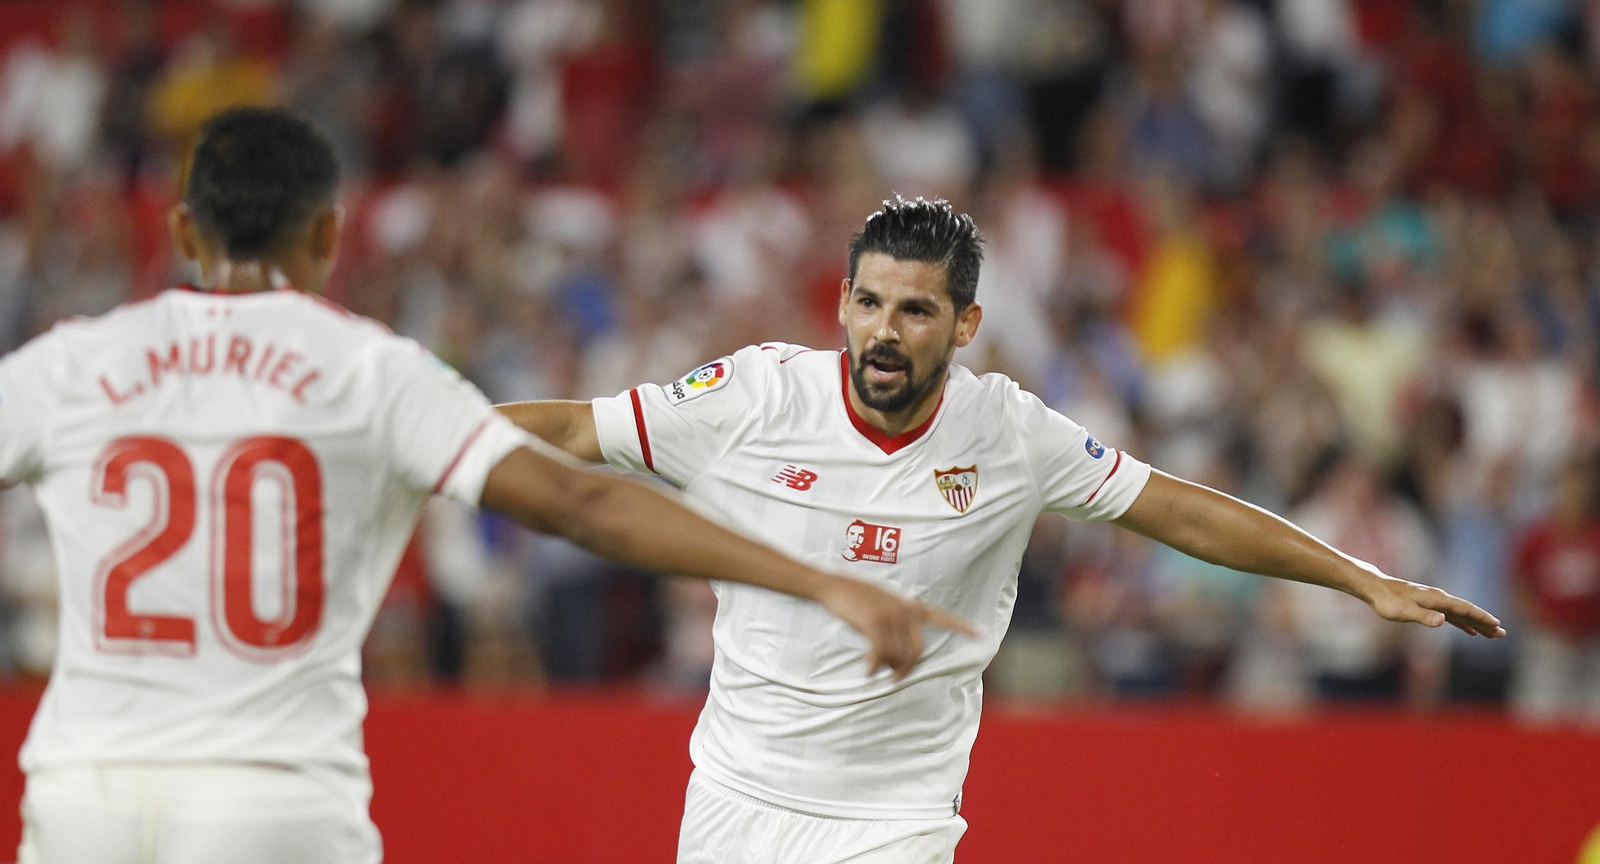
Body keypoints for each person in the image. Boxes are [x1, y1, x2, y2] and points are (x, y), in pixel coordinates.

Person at [0, 109, 971, 864]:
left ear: (181, 226)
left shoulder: (70, 364)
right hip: (271, 795)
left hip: (85, 784)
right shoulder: (368, 370)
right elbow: (580, 501)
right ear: (330, 233)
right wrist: (818, 580)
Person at [497, 195, 1506, 863]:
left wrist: (1357, 577)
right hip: (732, 801)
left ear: (966, 324)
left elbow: (1175, 509)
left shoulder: (1010, 434)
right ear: (842, 303)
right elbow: (574, 430)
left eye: (916, 311)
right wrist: (416, 436)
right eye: (867, 303)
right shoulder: (751, 397)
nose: (884, 332)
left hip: (891, 823)